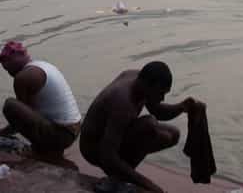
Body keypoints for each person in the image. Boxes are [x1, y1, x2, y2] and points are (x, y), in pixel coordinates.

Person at [79, 62, 201, 193]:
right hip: (93, 148)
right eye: (160, 93)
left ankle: (119, 177)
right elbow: (107, 156)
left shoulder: (140, 81)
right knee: (149, 125)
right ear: (148, 85)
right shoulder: (123, 103)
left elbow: (157, 111)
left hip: (110, 139)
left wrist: (182, 107)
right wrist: (149, 185)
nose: (162, 98)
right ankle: (116, 180)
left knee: (172, 134)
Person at [0, 41, 82, 162]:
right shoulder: (42, 65)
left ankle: (43, 150)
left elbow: (20, 120)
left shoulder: (23, 77)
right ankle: (46, 146)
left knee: (10, 105)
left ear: (15, 60)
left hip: (62, 135)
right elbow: (31, 112)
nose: (8, 73)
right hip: (73, 130)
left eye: (7, 67)